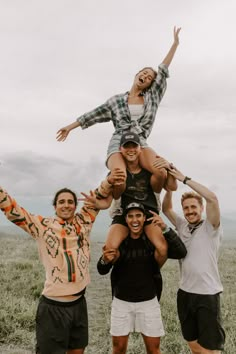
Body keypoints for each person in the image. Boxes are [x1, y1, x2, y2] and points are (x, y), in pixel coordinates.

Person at [56, 27, 181, 195]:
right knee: (119, 177)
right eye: (144, 73)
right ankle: (119, 202)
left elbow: (163, 70)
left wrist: (175, 44)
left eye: (150, 77)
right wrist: (69, 127)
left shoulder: (153, 96)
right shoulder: (116, 101)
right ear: (137, 75)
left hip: (140, 142)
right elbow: (93, 115)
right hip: (119, 140)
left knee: (160, 171)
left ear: (151, 84)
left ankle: (150, 200)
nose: (146, 76)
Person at [0, 183, 112, 354]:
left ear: (75, 206)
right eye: (61, 202)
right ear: (55, 206)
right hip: (53, 308)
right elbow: (13, 210)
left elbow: (101, 192)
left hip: (79, 305)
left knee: (78, 351)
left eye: (70, 201)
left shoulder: (84, 221)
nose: (66, 205)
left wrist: (113, 178)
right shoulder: (42, 226)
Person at [96, 202, 187, 354]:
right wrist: (104, 260)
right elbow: (102, 270)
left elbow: (180, 252)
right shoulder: (119, 243)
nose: (135, 220)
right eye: (130, 216)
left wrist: (165, 229)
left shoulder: (153, 243)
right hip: (121, 303)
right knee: (118, 349)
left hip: (149, 303)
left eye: (138, 215)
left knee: (154, 350)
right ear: (125, 219)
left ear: (145, 218)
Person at [162, 167, 225, 354]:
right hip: (185, 294)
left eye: (193, 207)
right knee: (192, 343)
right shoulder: (182, 226)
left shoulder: (211, 227)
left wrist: (183, 178)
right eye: (186, 208)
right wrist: (169, 188)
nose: (189, 211)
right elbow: (166, 209)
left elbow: (212, 197)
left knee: (212, 347)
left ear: (201, 208)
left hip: (207, 294)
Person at [99, 131, 177, 266]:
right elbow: (112, 195)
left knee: (162, 248)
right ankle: (122, 272)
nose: (131, 150)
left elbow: (172, 186)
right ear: (120, 150)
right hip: (124, 214)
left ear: (140, 149)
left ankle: (152, 272)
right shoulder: (117, 173)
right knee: (110, 249)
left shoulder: (151, 172)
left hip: (148, 213)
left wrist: (168, 168)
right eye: (126, 146)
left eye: (134, 146)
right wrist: (109, 182)